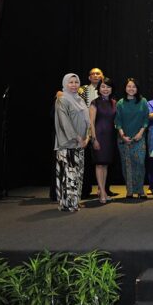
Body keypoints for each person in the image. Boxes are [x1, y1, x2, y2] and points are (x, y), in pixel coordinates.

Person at [54, 73, 90, 212]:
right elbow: (64, 122)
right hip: (68, 144)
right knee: (68, 175)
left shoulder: (80, 100)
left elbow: (86, 121)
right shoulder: (62, 100)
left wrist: (87, 137)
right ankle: (67, 204)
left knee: (77, 174)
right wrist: (77, 137)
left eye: (76, 82)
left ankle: (75, 201)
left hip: (81, 144)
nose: (74, 85)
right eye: (71, 82)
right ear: (65, 84)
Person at [115, 78, 149, 199]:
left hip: (139, 138)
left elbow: (146, 119)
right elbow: (118, 121)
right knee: (127, 165)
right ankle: (129, 190)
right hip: (124, 139)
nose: (131, 89)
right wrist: (123, 135)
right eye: (129, 86)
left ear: (137, 88)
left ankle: (140, 190)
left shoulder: (143, 101)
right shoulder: (120, 103)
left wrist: (140, 133)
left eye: (134, 86)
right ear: (125, 88)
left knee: (140, 164)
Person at [89, 77, 116, 204]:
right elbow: (91, 123)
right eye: (103, 87)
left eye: (108, 87)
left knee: (105, 165)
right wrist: (94, 139)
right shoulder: (94, 103)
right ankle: (102, 192)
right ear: (99, 88)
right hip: (98, 137)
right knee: (99, 164)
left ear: (112, 89)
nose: (106, 89)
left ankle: (103, 190)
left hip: (110, 137)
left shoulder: (114, 102)